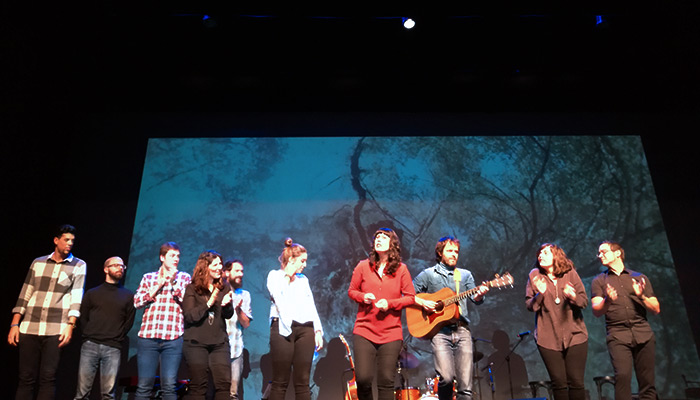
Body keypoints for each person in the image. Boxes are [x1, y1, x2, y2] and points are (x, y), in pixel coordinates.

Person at [9, 224, 87, 400]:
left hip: (55, 328)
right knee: (25, 378)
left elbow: (76, 297)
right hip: (29, 326)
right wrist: (15, 324)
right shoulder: (38, 262)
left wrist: (70, 325)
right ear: (56, 240)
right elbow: (25, 292)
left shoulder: (79, 265)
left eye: (72, 241)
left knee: (48, 378)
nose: (70, 244)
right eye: (66, 240)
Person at [412, 236, 489, 400]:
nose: (454, 254)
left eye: (456, 251)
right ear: (440, 253)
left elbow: (475, 298)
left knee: (466, 387)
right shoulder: (428, 275)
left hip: (463, 330)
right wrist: (424, 302)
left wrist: (480, 294)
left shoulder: (465, 275)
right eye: (450, 250)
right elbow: (408, 294)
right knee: (446, 378)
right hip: (439, 332)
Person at [347, 228, 417, 400]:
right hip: (364, 330)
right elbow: (352, 291)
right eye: (377, 237)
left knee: (386, 380)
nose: (379, 239)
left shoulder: (401, 269)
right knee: (363, 379)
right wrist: (363, 297)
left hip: (391, 333)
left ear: (392, 244)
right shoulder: (363, 266)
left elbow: (410, 298)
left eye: (384, 237)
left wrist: (390, 304)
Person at [591, 241, 660, 400]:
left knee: (647, 381)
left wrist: (641, 296)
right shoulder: (600, 280)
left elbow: (656, 308)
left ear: (617, 253)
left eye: (604, 251)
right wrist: (608, 300)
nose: (600, 255)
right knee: (622, 376)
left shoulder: (639, 277)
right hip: (618, 335)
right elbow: (596, 310)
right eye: (599, 253)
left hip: (643, 333)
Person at [525, 243, 588, 400]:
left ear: (556, 255)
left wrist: (573, 296)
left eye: (546, 252)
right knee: (559, 383)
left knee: (576, 382)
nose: (541, 255)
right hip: (548, 338)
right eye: (539, 253)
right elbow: (530, 306)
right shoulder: (534, 275)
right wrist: (540, 293)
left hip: (575, 335)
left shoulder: (570, 273)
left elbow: (583, 301)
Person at [133, 242, 192, 400]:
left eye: (178, 256)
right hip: (148, 337)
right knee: (144, 386)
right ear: (162, 257)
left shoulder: (184, 277)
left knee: (169, 386)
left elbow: (187, 303)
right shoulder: (149, 277)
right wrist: (159, 284)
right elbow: (137, 302)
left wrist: (173, 282)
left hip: (173, 338)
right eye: (172, 256)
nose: (176, 259)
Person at [267, 238, 324, 400]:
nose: (305, 265)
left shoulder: (303, 280)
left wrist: (318, 331)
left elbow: (311, 306)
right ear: (291, 260)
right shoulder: (275, 276)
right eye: (302, 261)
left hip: (305, 330)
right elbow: (277, 296)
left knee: (303, 381)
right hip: (282, 329)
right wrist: (287, 275)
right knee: (280, 381)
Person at [74, 256, 136, 400]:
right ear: (106, 269)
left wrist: (117, 336)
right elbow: (83, 317)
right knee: (82, 393)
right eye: (115, 265)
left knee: (108, 394)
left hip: (113, 347)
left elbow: (129, 321)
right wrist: (88, 334)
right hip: (90, 345)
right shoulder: (92, 293)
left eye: (122, 266)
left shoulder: (127, 295)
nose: (120, 268)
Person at [182, 250, 234, 400]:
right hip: (196, 343)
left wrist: (227, 306)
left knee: (224, 385)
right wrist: (209, 303)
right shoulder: (192, 289)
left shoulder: (223, 288)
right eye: (215, 264)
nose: (220, 267)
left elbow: (228, 315)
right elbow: (190, 316)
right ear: (205, 267)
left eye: (220, 264)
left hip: (219, 343)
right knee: (199, 387)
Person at [224, 259, 253, 400]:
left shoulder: (244, 295)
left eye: (242, 271)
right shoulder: (217, 293)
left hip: (236, 349)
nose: (240, 274)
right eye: (237, 271)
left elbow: (246, 323)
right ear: (226, 273)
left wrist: (238, 309)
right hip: (218, 349)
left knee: (233, 394)